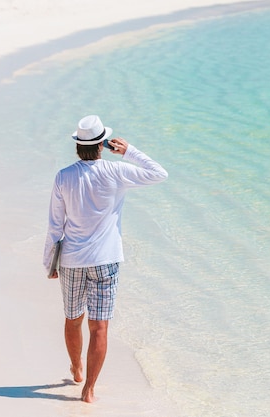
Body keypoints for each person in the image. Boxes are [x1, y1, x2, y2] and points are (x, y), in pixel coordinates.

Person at [43, 114, 168, 403]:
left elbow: (54, 225)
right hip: (106, 261)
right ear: (103, 145)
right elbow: (159, 173)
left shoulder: (64, 176)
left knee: (73, 319)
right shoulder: (116, 172)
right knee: (99, 327)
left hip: (72, 261)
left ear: (77, 146)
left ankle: (76, 367)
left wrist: (49, 262)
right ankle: (89, 390)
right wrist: (130, 151)